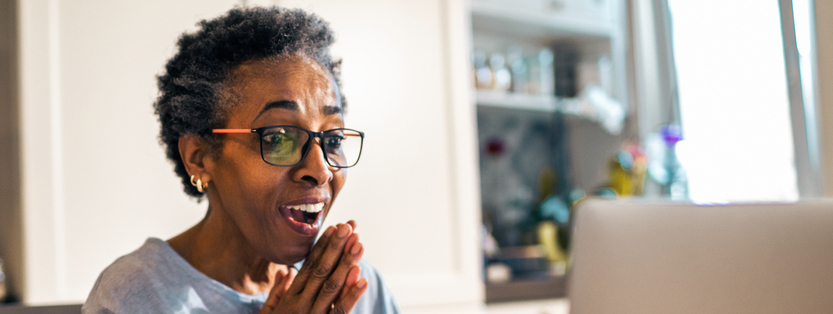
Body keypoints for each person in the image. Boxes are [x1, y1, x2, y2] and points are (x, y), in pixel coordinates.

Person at [82, 6, 400, 314]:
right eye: (278, 138)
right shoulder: (136, 297)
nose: (320, 171)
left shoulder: (356, 287)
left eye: (333, 140)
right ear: (199, 157)